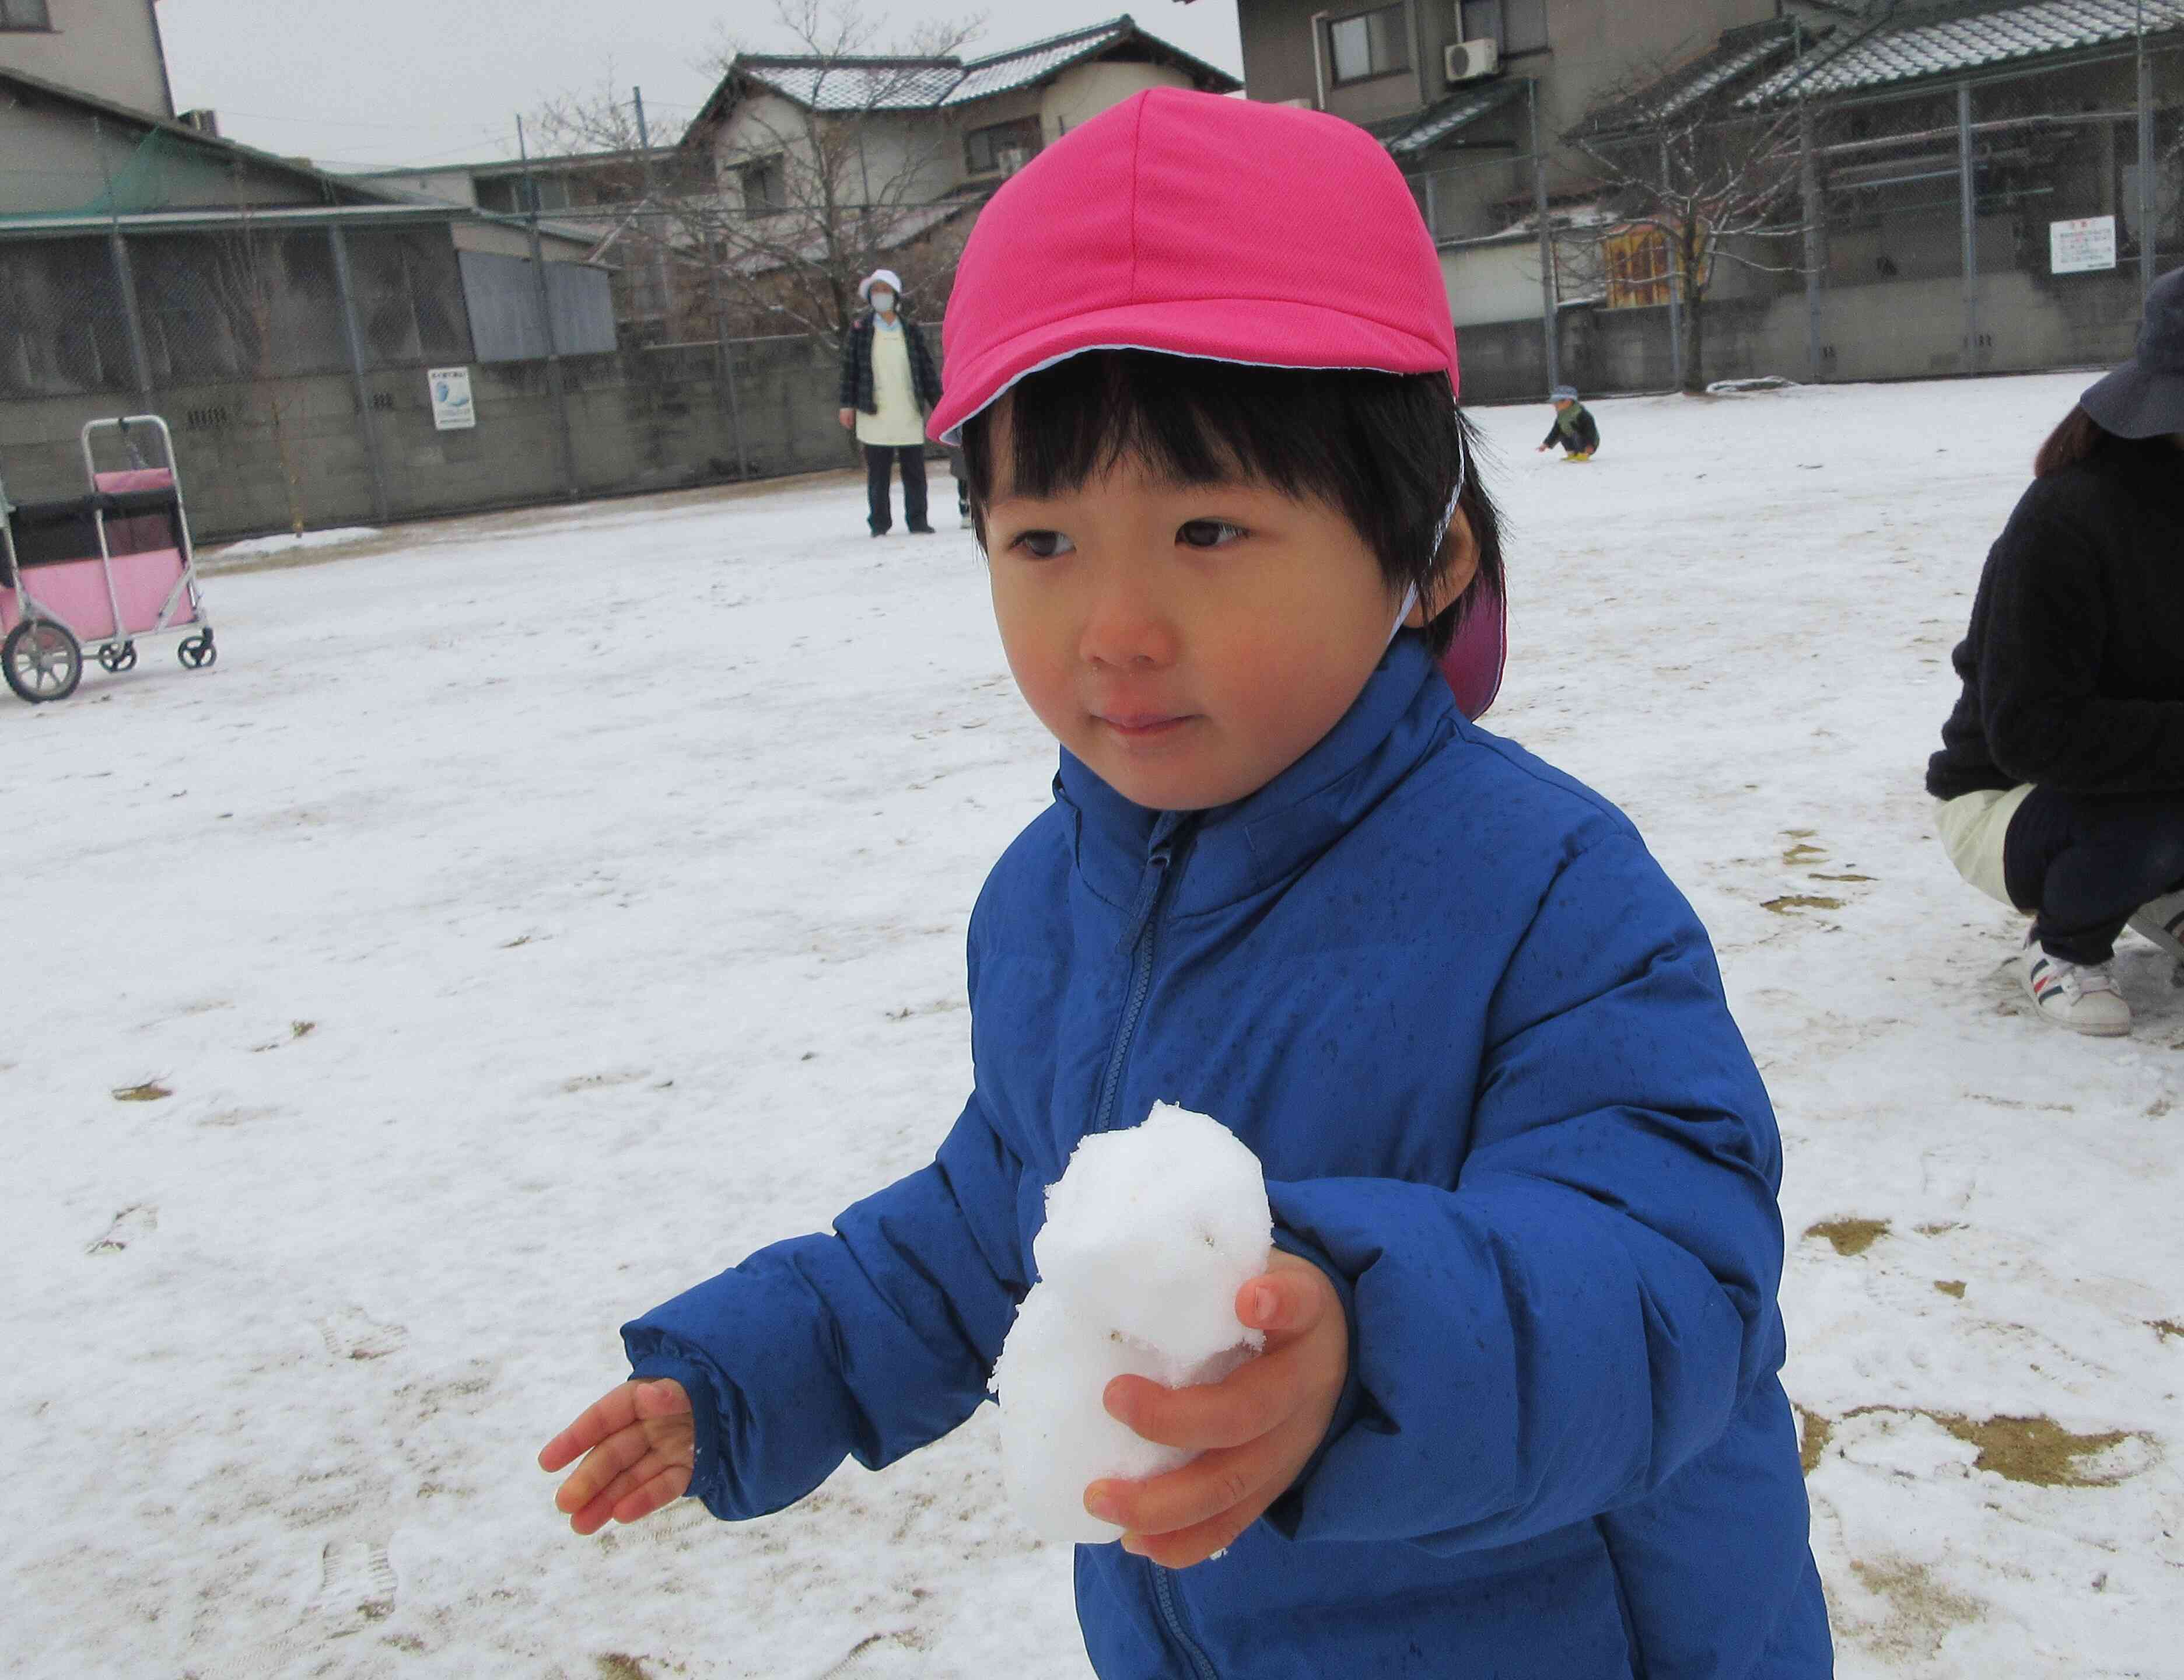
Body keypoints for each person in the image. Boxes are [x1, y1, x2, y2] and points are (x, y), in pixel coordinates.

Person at [541, 89, 1829, 1679]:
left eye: (1208, 528)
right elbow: (986, 1233)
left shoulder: (1548, 891)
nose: (1118, 629)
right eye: (1042, 543)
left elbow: (1670, 1281)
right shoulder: (1044, 904)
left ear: (1426, 554)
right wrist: (757, 1375)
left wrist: (1359, 1346)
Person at [1927, 265, 2184, 1037]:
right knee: (2155, 820)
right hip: (2012, 799)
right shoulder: (2068, 522)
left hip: (2157, 776)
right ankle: (2067, 945)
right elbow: (2033, 733)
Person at [837, 268, 942, 536]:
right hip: (874, 412)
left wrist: (939, 403)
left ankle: (918, 520)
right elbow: (850, 371)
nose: (880, 296)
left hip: (907, 410)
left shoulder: (911, 330)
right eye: (876, 291)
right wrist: (847, 405)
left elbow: (926, 371)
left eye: (885, 290)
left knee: (915, 473)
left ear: (895, 295)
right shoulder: (860, 330)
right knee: (879, 474)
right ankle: (880, 523)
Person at [1538, 384, 1601, 460]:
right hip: (1573, 440)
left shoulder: (1581, 414)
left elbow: (1590, 430)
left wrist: (1590, 444)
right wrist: (1546, 444)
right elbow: (1555, 431)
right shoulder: (1562, 416)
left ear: (1568, 402)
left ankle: (1583, 454)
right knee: (1562, 434)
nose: (1554, 405)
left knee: (1578, 434)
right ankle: (1572, 454)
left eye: (1557, 403)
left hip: (1588, 442)